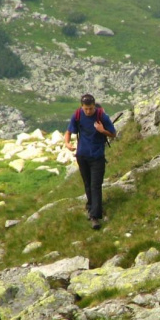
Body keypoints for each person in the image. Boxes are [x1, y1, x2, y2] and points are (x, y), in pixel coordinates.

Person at [64, 94, 117, 230]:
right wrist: (67, 143)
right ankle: (91, 207)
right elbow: (69, 131)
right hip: (82, 156)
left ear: (95, 106)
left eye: (91, 109)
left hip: (97, 156)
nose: (88, 111)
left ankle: (95, 216)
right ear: (82, 107)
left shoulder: (102, 116)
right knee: (87, 184)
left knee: (95, 185)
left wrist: (102, 130)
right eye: (86, 109)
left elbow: (113, 133)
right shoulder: (77, 115)